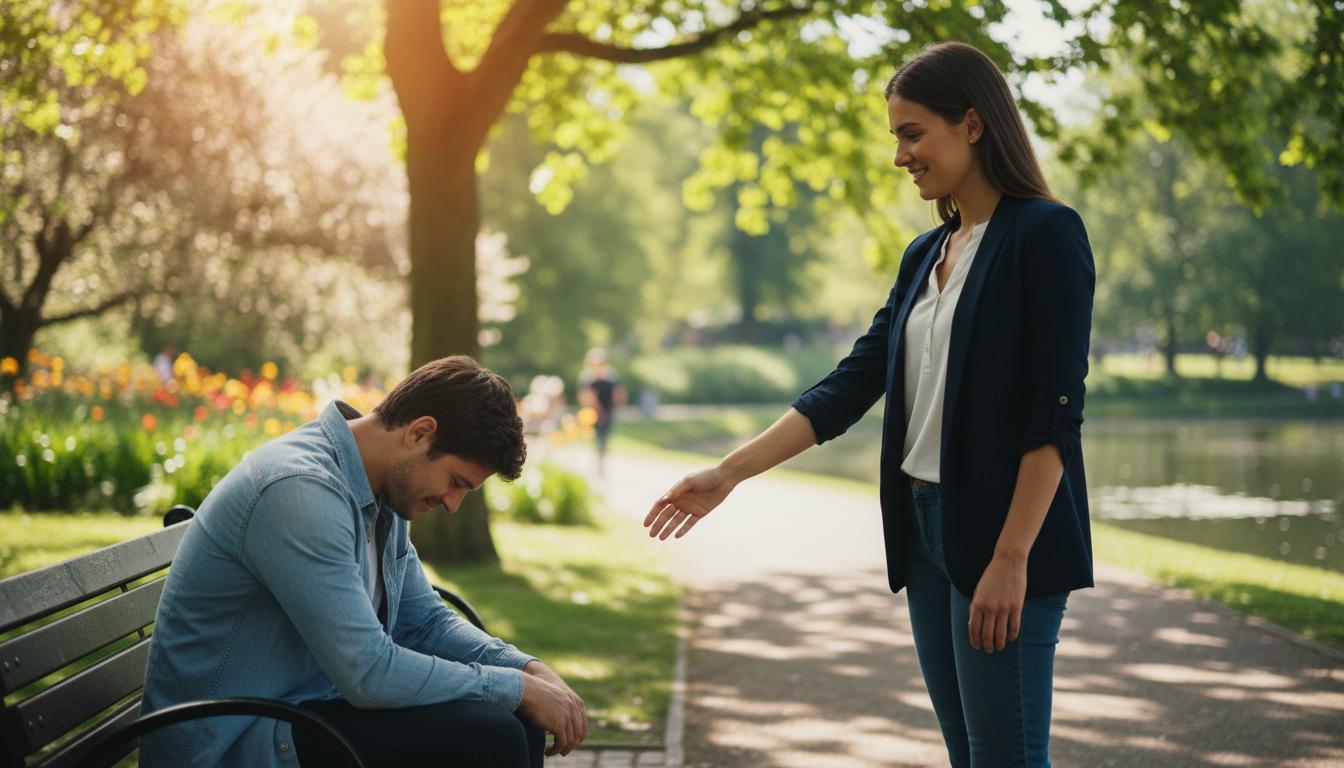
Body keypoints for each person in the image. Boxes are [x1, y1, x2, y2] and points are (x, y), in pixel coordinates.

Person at [644, 42, 1095, 768]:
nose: (900, 156)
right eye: (896, 137)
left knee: (1006, 758)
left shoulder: (1045, 234)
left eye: (912, 133)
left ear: (973, 124)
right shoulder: (926, 253)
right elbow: (849, 384)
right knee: (968, 755)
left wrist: (1012, 558)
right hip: (923, 535)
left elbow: (1056, 413)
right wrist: (727, 474)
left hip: (1004, 537)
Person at [142, 356, 587, 768]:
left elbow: (424, 622)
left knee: (520, 721)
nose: (452, 504)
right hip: (229, 742)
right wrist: (512, 688)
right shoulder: (300, 490)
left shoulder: (380, 492)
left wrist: (524, 669)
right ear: (419, 432)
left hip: (304, 712)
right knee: (491, 735)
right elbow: (368, 672)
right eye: (455, 482)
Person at [577, 348, 625, 476]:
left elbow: (618, 393)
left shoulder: (611, 377)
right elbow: (586, 396)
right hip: (592, 413)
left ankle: (600, 464)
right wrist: (597, 409)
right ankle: (593, 464)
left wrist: (617, 405)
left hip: (607, 411)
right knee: (593, 437)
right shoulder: (587, 377)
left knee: (604, 438)